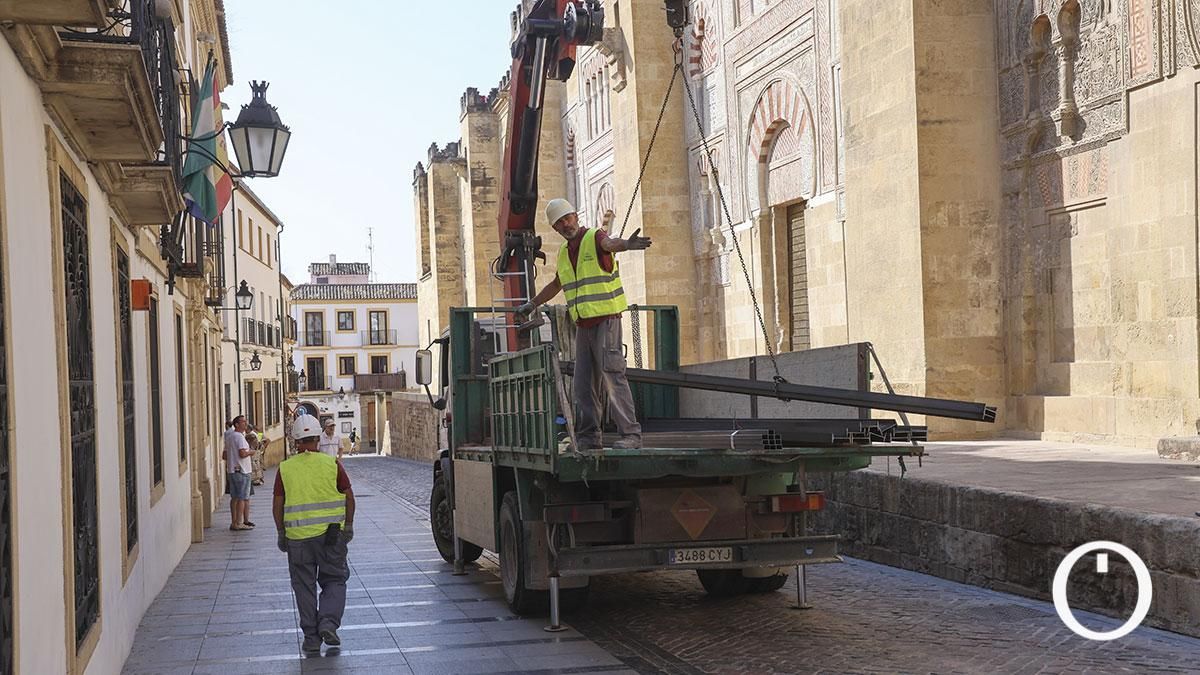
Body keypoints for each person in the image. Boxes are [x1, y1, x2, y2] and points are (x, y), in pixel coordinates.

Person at [517, 198, 651, 450]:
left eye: (567, 218)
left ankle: (631, 436)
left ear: (576, 216)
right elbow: (557, 284)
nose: (565, 224)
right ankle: (589, 438)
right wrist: (532, 304)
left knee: (612, 378)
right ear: (555, 228)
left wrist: (626, 245)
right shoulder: (564, 253)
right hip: (584, 325)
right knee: (583, 384)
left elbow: (610, 243)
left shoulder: (594, 237)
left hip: (606, 321)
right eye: (559, 223)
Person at [274, 414, 355, 653]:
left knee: (304, 586)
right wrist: (348, 526)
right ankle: (328, 623)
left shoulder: (285, 469)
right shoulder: (331, 464)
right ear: (318, 438)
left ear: (295, 441)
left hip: (298, 539)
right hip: (331, 537)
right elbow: (349, 497)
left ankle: (311, 637)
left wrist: (281, 532)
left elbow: (277, 505)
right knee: (334, 580)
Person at [224, 415, 256, 530]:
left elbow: (224, 455)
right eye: (243, 422)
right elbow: (242, 454)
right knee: (242, 497)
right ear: (236, 424)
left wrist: (233, 460)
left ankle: (233, 522)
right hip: (242, 470)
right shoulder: (239, 437)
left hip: (232, 470)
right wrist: (251, 452)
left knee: (234, 498)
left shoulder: (229, 436)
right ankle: (239, 523)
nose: (245, 424)